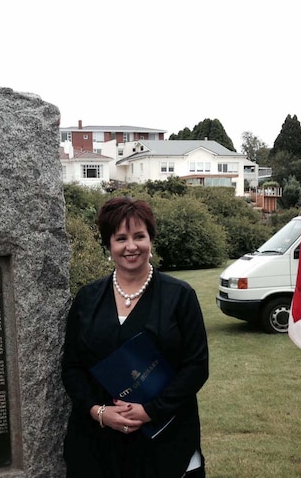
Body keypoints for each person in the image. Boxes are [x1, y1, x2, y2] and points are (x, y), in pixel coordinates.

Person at [61, 197, 209, 477]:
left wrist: (151, 410)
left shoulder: (179, 296)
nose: (131, 246)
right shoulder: (88, 298)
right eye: (121, 238)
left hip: (164, 436)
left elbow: (196, 366)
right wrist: (98, 412)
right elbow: (71, 367)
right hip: (97, 441)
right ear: (109, 245)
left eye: (139, 236)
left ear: (150, 240)